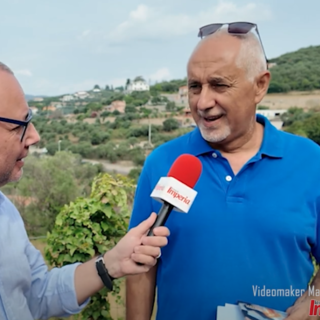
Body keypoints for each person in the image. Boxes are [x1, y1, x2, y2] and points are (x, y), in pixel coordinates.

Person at [125, 22, 320, 320]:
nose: (203, 102)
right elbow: (141, 265)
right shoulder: (162, 163)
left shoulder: (311, 162)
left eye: (219, 85)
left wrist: (312, 306)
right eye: (194, 86)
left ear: (260, 85)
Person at [0, 62, 170, 320]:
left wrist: (112, 263)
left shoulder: (7, 215)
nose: (34, 136)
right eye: (19, 126)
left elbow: (38, 294)